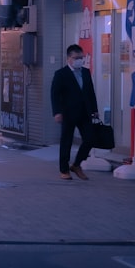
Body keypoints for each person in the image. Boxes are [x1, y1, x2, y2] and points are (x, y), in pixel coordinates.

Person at [50, 44, 99, 181]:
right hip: (68, 113)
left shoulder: (85, 72)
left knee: (90, 139)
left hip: (85, 112)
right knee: (66, 141)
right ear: (69, 59)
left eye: (81, 57)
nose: (79, 60)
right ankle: (64, 170)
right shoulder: (61, 74)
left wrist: (94, 110)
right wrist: (57, 112)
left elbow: (90, 92)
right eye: (76, 58)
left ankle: (77, 164)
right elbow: (55, 94)